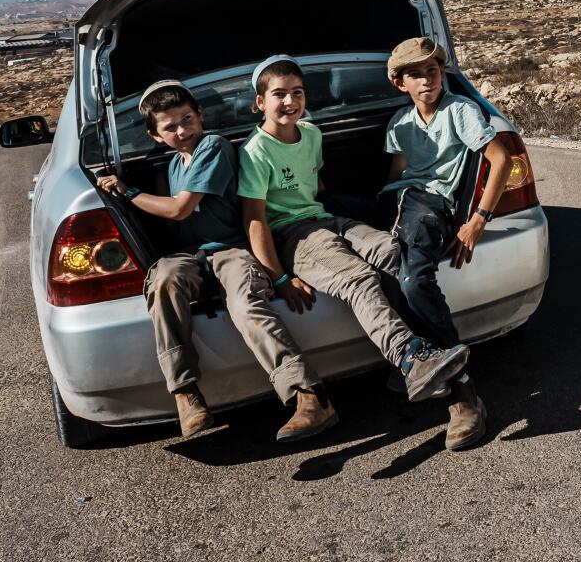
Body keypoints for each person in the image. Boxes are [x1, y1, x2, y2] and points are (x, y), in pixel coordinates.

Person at [97, 80, 334, 442]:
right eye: (170, 127)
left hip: (230, 249)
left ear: (200, 116)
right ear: (155, 136)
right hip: (191, 256)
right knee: (163, 281)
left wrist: (127, 191)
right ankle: (186, 395)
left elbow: (180, 210)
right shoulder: (174, 166)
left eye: (187, 119)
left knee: (246, 304)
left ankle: (308, 394)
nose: (182, 131)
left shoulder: (213, 147)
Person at [238, 55, 469, 408]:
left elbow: (315, 185)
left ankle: (427, 354)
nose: (290, 102)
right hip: (292, 235)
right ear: (260, 103)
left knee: (393, 251)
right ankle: (410, 358)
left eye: (297, 93)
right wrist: (280, 277)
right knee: (358, 278)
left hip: (325, 218)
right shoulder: (255, 153)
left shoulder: (312, 133)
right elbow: (254, 220)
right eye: (279, 95)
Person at [380, 37, 508, 452]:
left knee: (415, 280)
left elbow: (501, 158)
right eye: (415, 74)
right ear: (400, 84)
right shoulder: (399, 124)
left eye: (432, 70)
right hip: (398, 201)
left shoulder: (460, 111)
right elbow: (397, 173)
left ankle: (462, 389)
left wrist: (477, 221)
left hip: (429, 203)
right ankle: (413, 359)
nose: (426, 79)